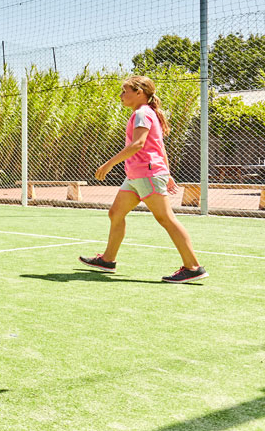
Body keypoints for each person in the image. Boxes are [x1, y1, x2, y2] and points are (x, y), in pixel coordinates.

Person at [79, 75, 207, 283]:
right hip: (136, 176)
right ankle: (108, 259)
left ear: (139, 93)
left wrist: (108, 164)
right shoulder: (145, 113)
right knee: (116, 213)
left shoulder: (142, 113)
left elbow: (138, 144)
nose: (121, 95)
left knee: (166, 219)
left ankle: (193, 267)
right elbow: (159, 146)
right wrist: (167, 172)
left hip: (146, 174)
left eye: (124, 91)